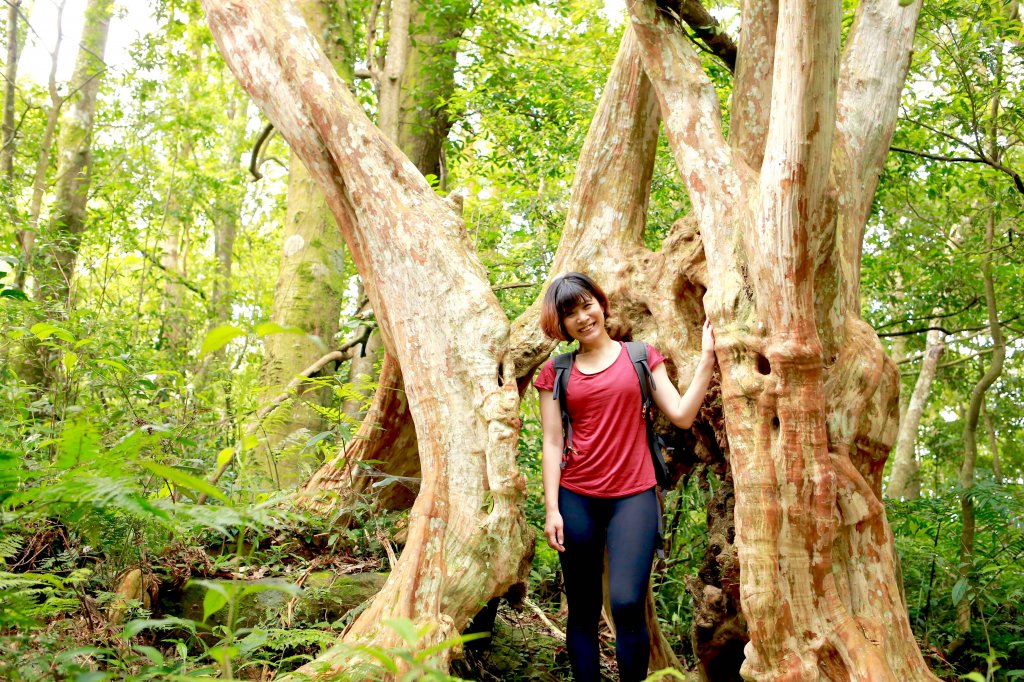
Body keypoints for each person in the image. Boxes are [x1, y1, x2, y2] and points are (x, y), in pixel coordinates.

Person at [533, 272, 716, 682]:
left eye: (587, 305)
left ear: (600, 303)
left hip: (633, 496)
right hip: (576, 497)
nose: (583, 317)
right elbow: (551, 441)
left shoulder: (641, 357)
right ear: (561, 325)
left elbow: (682, 415)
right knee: (582, 607)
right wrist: (551, 510)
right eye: (570, 314)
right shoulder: (556, 372)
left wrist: (706, 359)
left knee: (627, 602)